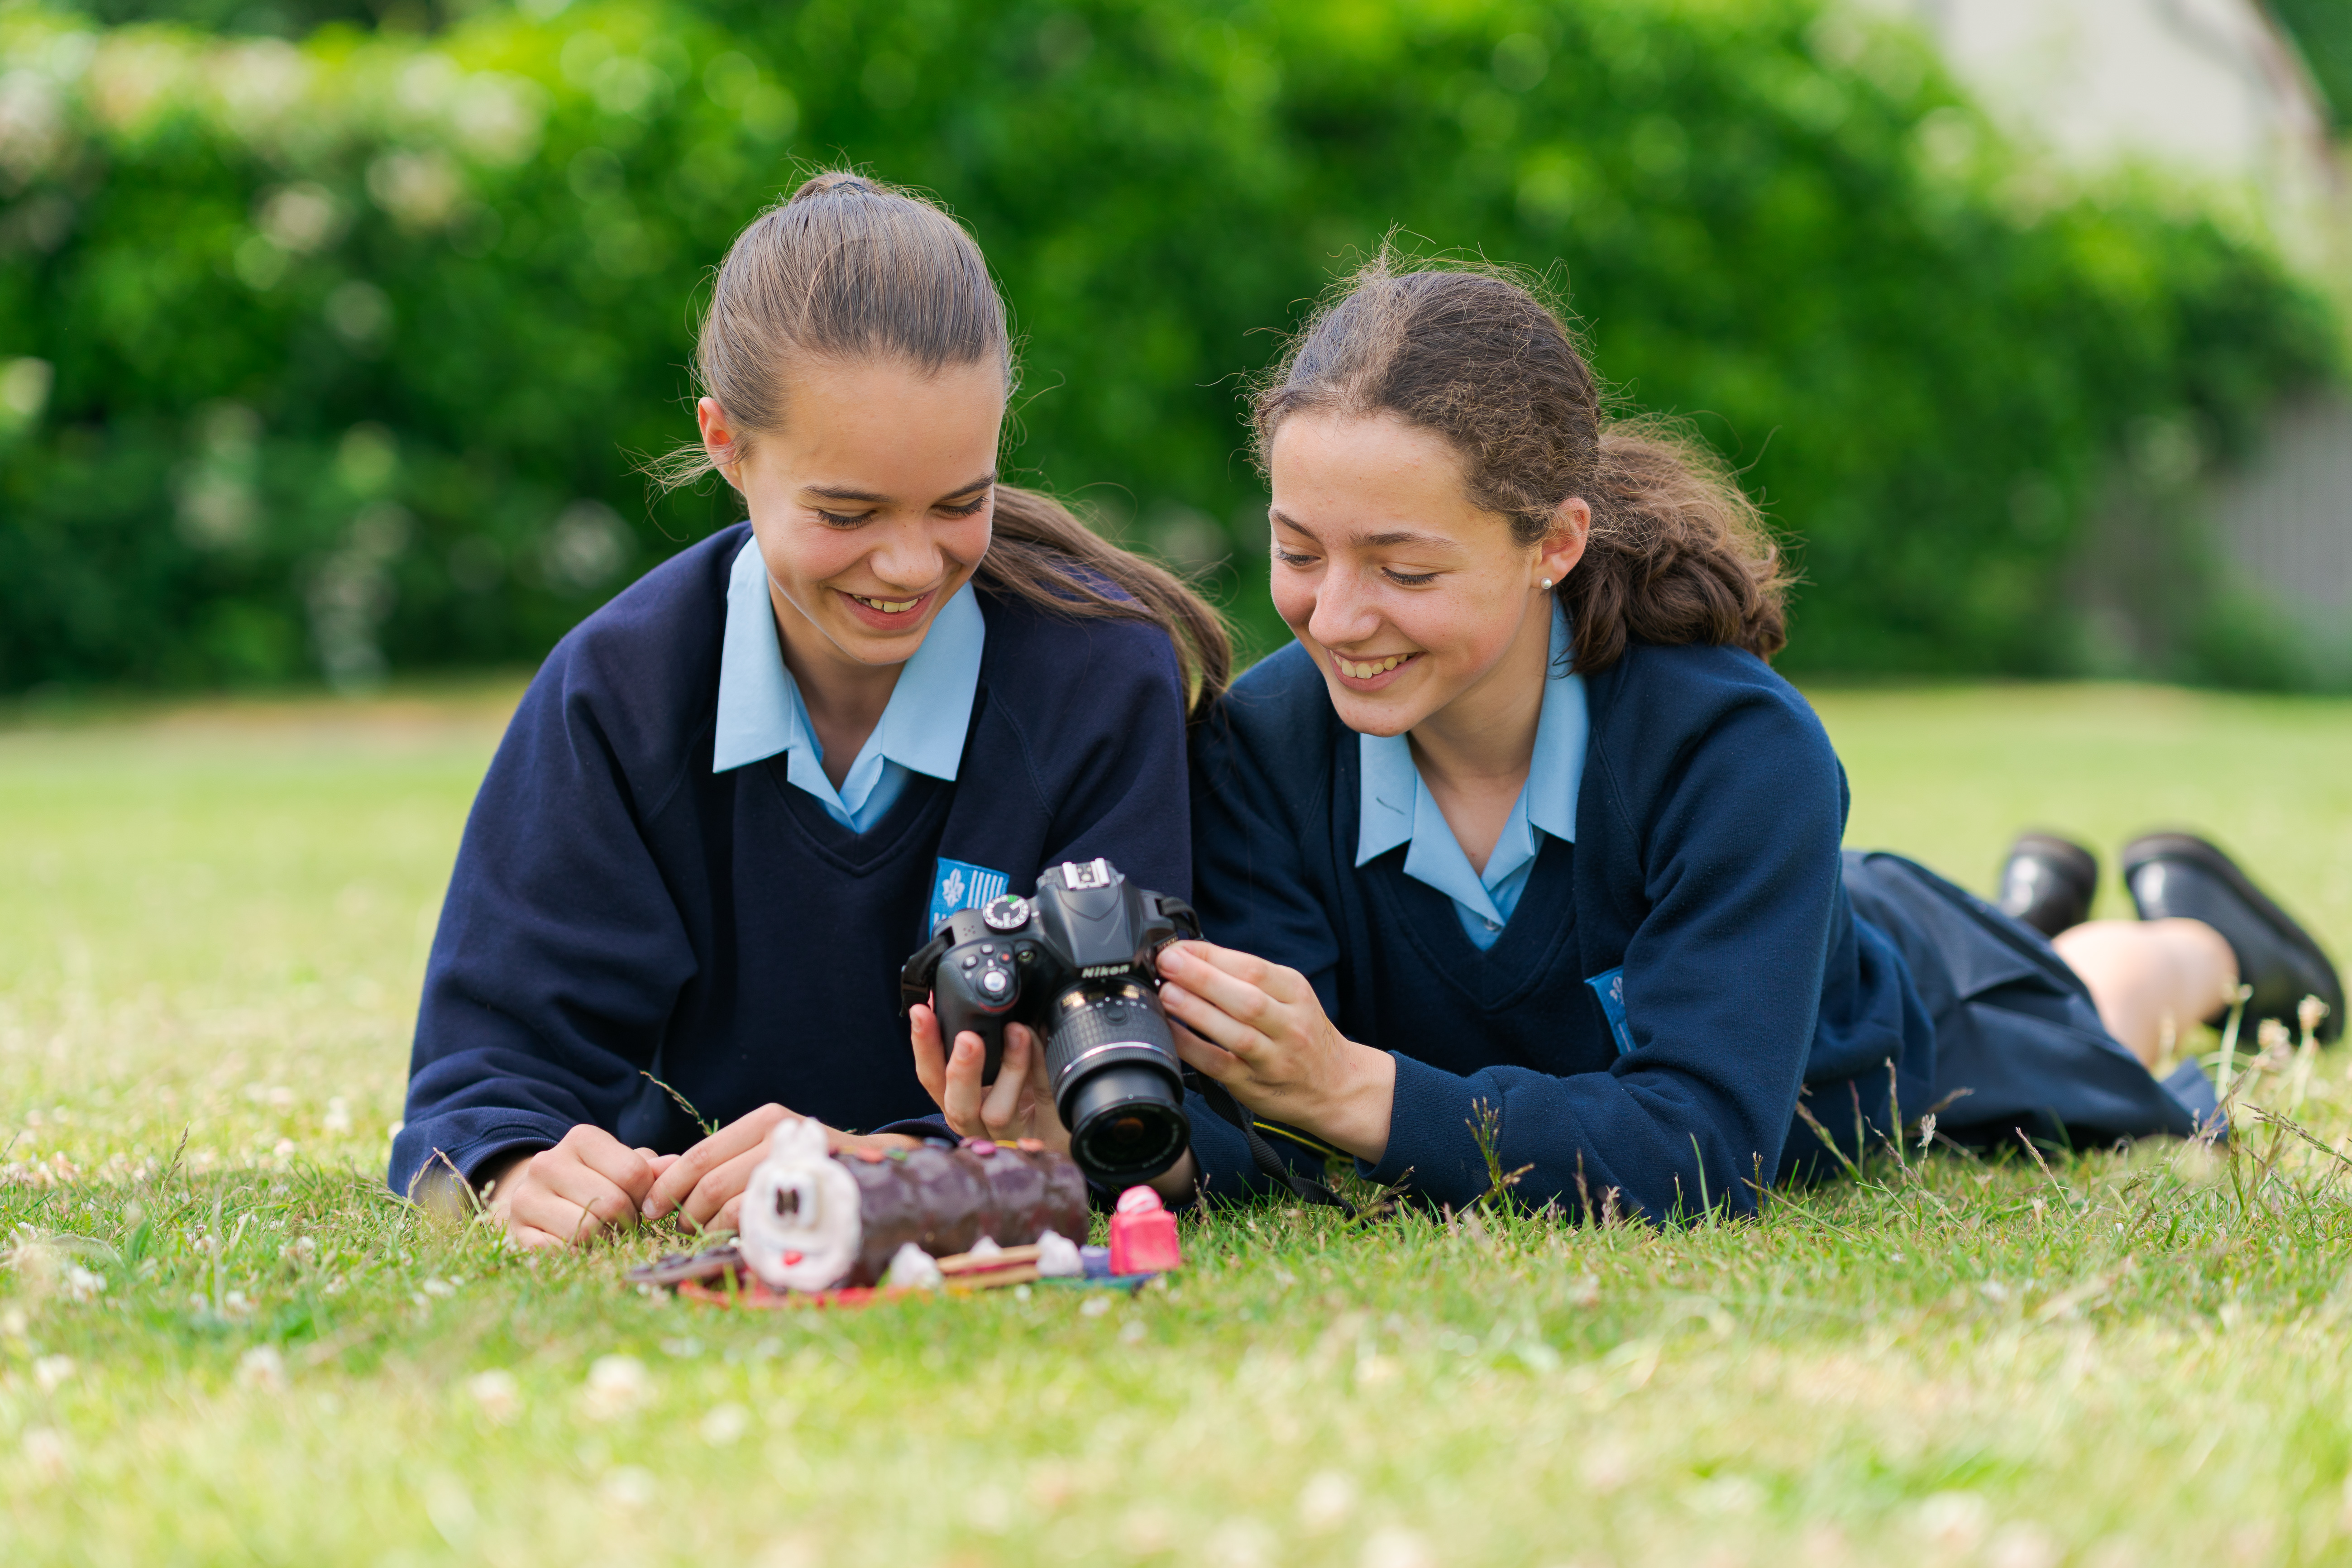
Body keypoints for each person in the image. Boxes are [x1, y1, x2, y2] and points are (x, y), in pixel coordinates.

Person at [1165, 258, 2343, 1220]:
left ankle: (2201, 936)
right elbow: (1256, 1124)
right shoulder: (1258, 747)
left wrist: (1352, 1088)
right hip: (1758, 931)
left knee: (2096, 1020)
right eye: (1299, 550)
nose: (1335, 615)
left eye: (1404, 566)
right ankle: (2033, 902)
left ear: (1553, 545)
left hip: (1867, 1018)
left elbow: (1696, 1150)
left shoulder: (1732, 749)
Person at [392, 173, 1229, 1247]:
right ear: (726, 443)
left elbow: (1145, 1104)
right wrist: (512, 1171)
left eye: (959, 502)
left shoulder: (1102, 680)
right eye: (847, 511)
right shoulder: (616, 690)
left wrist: (900, 1167)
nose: (910, 562)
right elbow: (482, 1074)